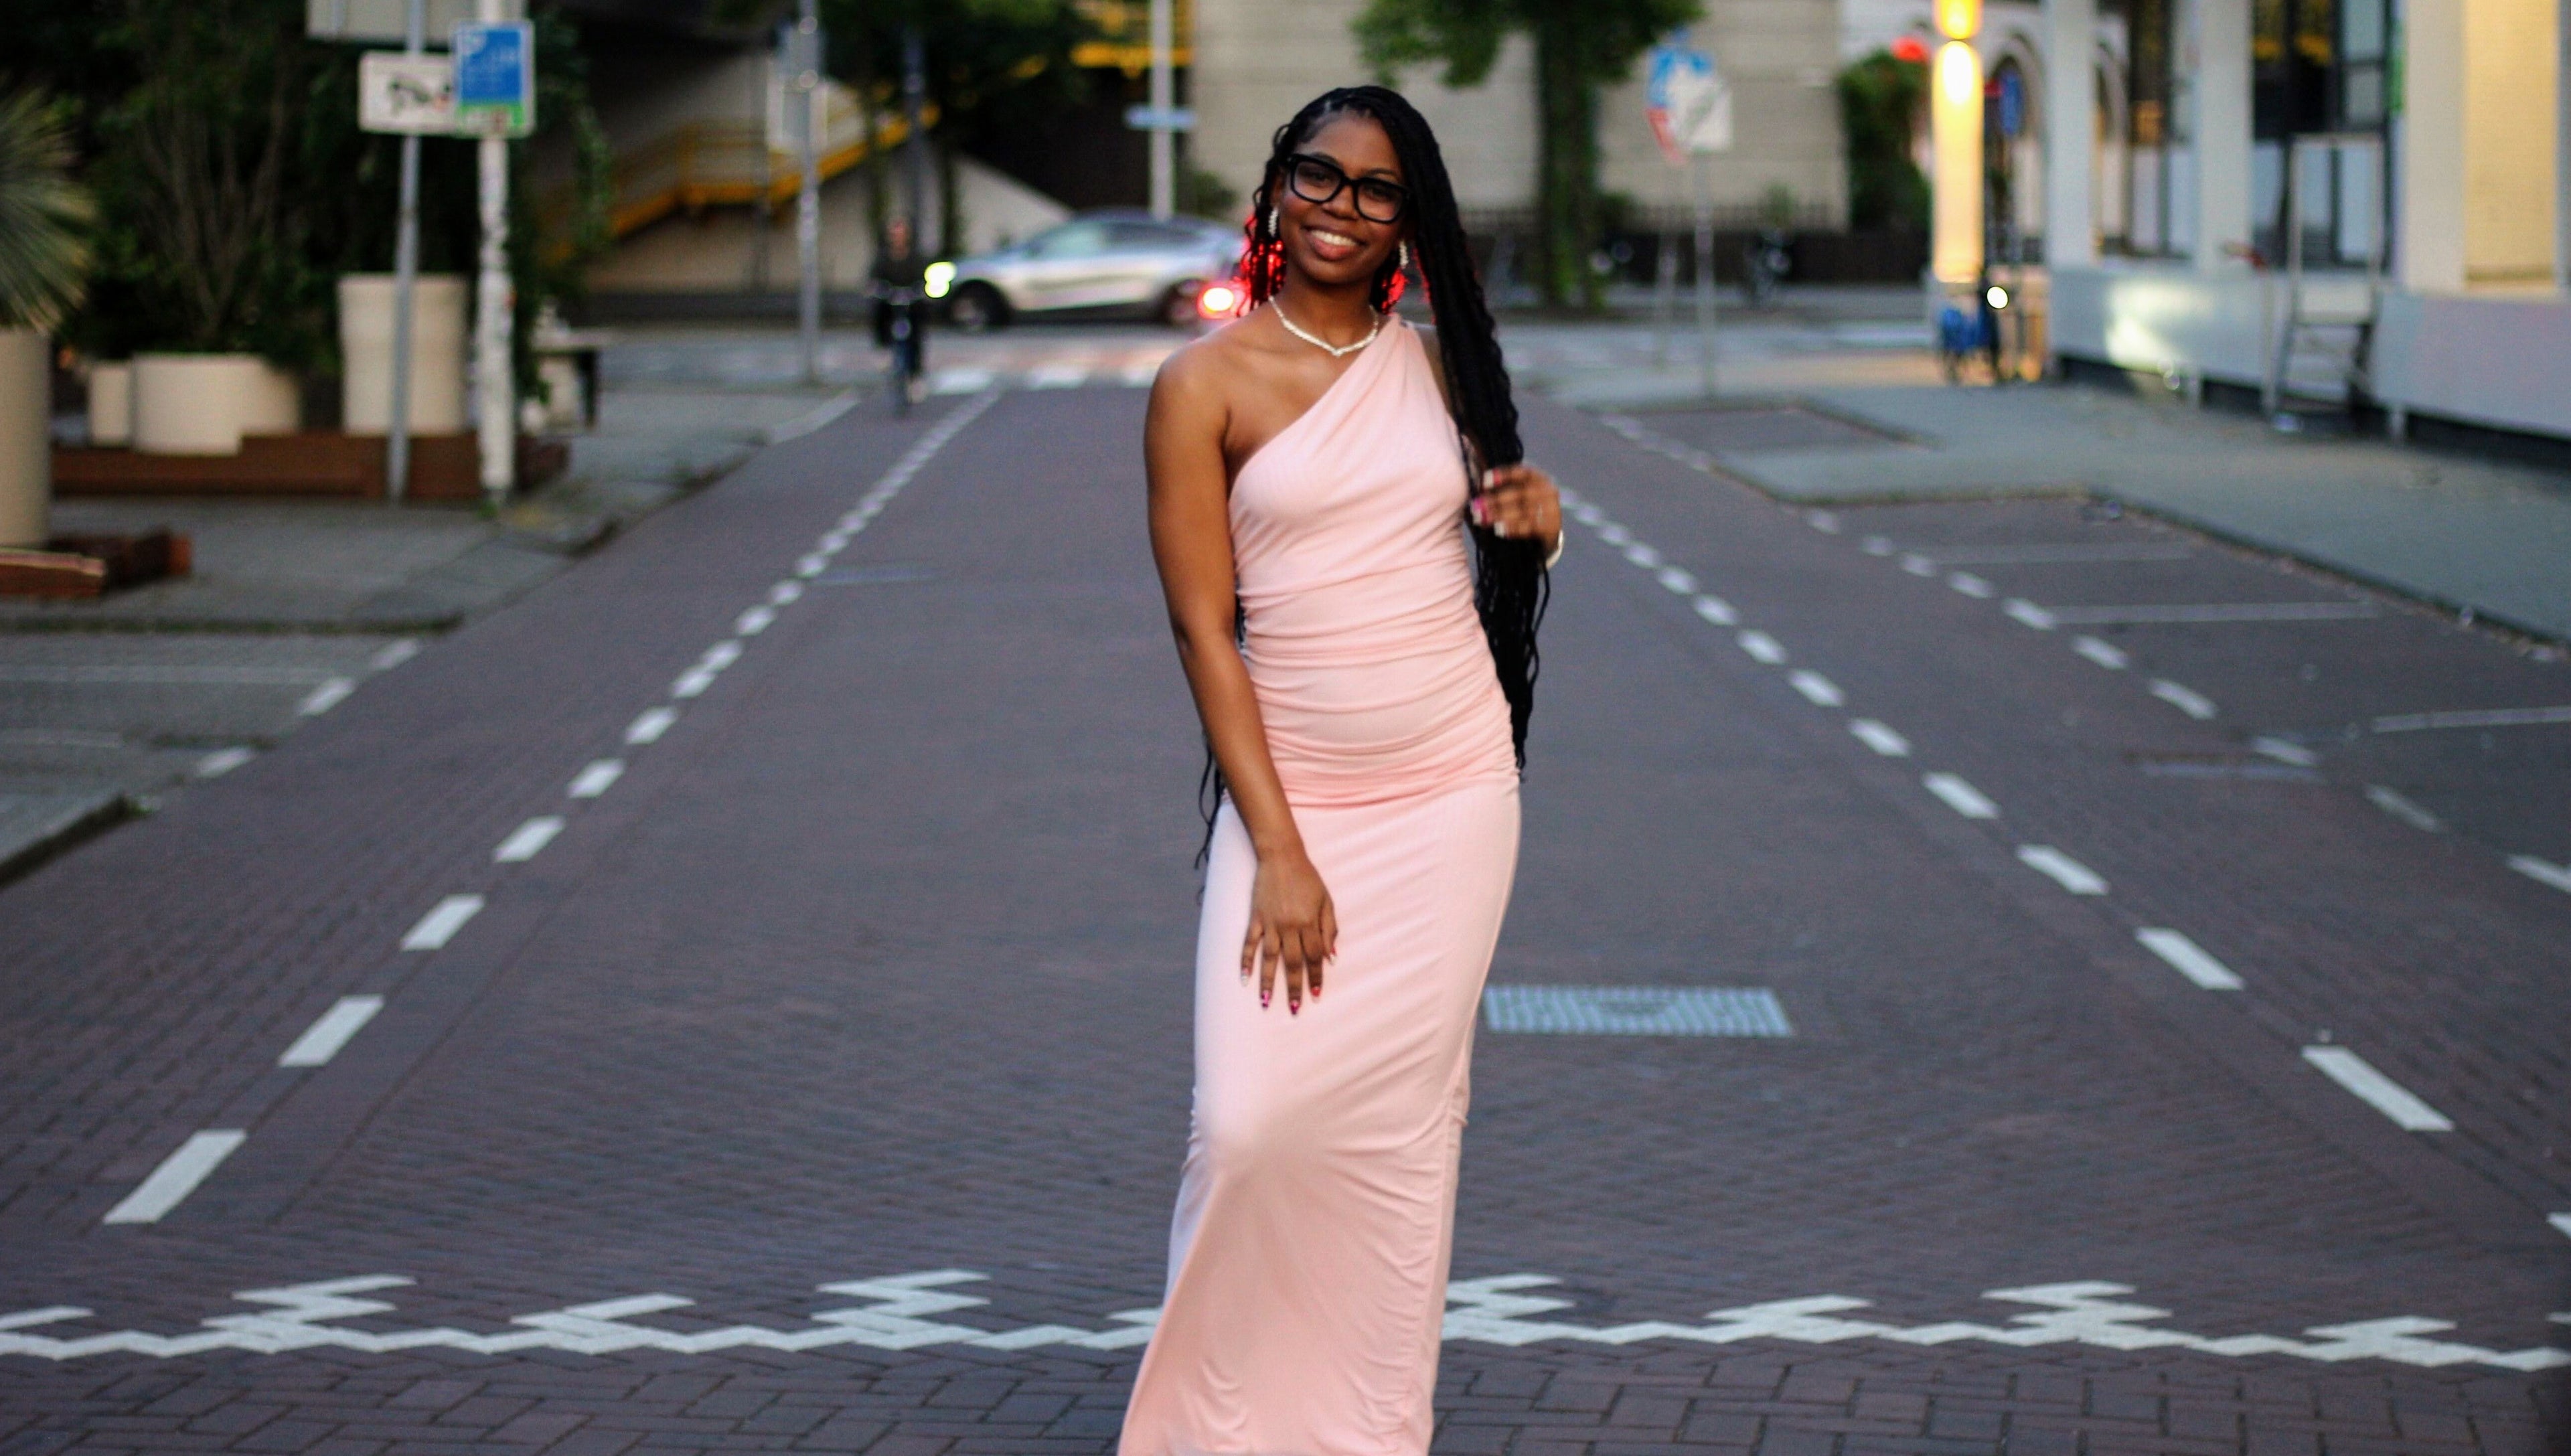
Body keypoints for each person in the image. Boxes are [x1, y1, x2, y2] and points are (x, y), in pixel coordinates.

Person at [1123, 85, 1562, 1456]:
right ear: (1277, 186)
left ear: (1408, 224)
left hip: (1452, 793)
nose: (1343, 208)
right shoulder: (1203, 386)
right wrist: (1285, 849)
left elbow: (1499, 531)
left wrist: (1547, 526)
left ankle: (1363, 1427)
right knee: (1250, 1123)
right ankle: (1214, 1424)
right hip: (1294, 802)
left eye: (1379, 191)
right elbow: (1206, 627)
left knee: (1395, 1138)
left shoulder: (1441, 370)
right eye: (1321, 177)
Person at [868, 216, 930, 391]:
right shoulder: (883, 258)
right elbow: (874, 279)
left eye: (901, 234)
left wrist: (921, 291)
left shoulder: (915, 258)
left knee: (917, 331)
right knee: (879, 312)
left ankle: (915, 375)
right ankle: (884, 348)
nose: (897, 238)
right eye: (894, 234)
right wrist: (877, 289)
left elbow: (923, 279)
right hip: (890, 300)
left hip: (911, 301)